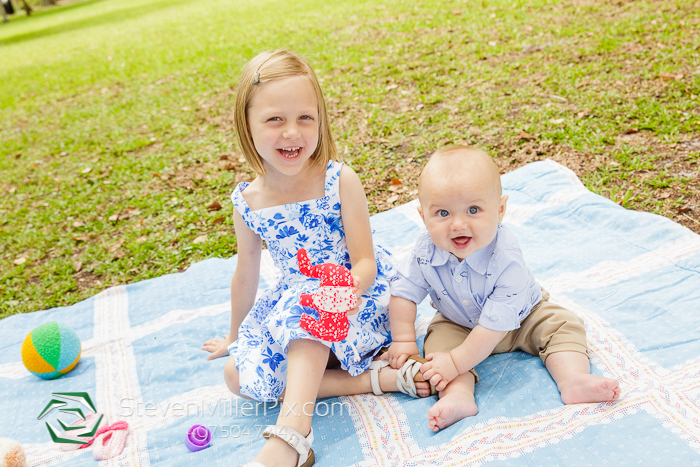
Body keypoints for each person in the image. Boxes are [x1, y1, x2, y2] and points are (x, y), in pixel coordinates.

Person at [201, 50, 430, 467]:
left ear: (320, 119)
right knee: (238, 377)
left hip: (355, 300)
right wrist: (236, 337)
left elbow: (365, 262)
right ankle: (375, 381)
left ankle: (293, 434)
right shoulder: (248, 202)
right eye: (275, 120)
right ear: (247, 126)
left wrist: (342, 291)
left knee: (305, 308)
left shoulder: (338, 179)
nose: (292, 132)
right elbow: (245, 274)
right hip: (294, 307)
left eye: (305, 118)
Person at [387, 146, 621, 433]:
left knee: (563, 324)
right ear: (423, 217)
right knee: (437, 347)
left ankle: (573, 379)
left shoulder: (506, 258)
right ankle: (458, 397)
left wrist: (456, 361)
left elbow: (495, 326)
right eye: (443, 213)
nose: (458, 223)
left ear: (500, 210)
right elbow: (404, 292)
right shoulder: (425, 250)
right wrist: (403, 340)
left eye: (473, 210)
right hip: (458, 321)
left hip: (523, 317)